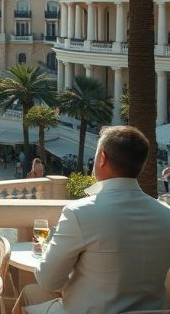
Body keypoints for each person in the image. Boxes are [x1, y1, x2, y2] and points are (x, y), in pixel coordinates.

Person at [13, 126, 170, 314]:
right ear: (141, 165)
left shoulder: (80, 212)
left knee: (29, 294)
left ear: (102, 158)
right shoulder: (165, 215)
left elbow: (49, 280)